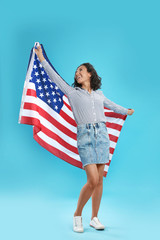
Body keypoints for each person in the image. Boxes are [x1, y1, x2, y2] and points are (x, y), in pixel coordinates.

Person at [34, 45, 134, 233]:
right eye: (76, 71)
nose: (77, 73)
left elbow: (112, 105)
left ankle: (94, 218)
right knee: (92, 180)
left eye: (81, 70)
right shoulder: (72, 93)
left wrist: (126, 111)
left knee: (100, 181)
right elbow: (54, 78)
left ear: (90, 74)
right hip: (85, 137)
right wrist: (41, 58)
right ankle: (77, 214)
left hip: (102, 136)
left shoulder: (99, 94)